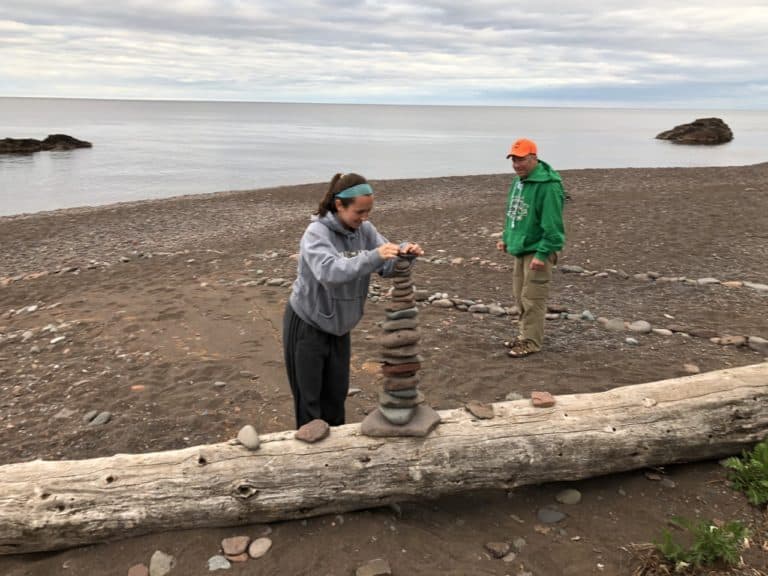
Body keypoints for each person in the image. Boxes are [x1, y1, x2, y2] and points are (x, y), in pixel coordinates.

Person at [284, 172, 424, 428]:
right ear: (339, 205)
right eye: (359, 212)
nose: (365, 218)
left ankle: (337, 458)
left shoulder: (365, 230)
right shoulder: (316, 233)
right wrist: (374, 256)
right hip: (307, 325)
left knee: (336, 401)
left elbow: (386, 266)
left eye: (368, 211)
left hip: (340, 328)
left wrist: (405, 254)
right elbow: (330, 272)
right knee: (309, 405)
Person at [496, 138, 566, 358]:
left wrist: (543, 252)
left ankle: (532, 342)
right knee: (520, 296)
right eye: (514, 160)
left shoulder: (549, 186)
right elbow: (513, 213)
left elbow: (553, 225)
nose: (517, 164)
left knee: (533, 297)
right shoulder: (519, 181)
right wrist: (506, 236)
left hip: (538, 250)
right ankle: (523, 335)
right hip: (521, 247)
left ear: (534, 158)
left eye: (522, 160)